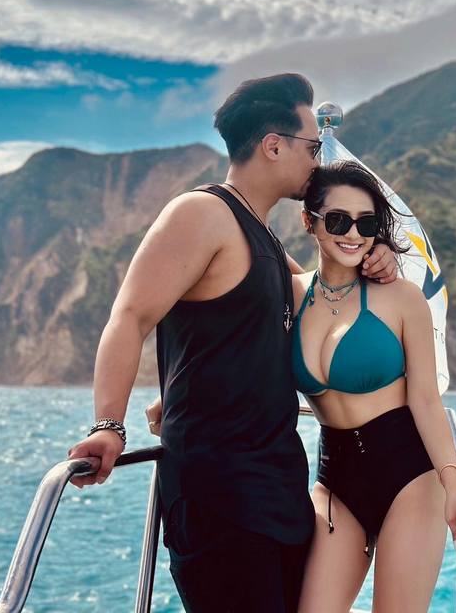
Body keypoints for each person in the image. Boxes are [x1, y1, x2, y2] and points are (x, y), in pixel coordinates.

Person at [66, 73, 398, 613]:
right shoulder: (201, 214)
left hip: (278, 494)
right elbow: (129, 316)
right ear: (274, 146)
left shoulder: (262, 235)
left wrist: (373, 258)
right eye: (312, 147)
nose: (317, 160)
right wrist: (109, 424)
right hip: (219, 499)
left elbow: (322, 295)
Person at [292, 161, 456, 613]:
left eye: (366, 223)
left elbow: (425, 400)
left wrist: (454, 485)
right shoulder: (288, 292)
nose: (353, 234)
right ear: (309, 221)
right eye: (338, 220)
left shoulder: (402, 297)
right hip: (334, 482)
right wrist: (178, 395)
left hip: (411, 477)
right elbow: (232, 337)